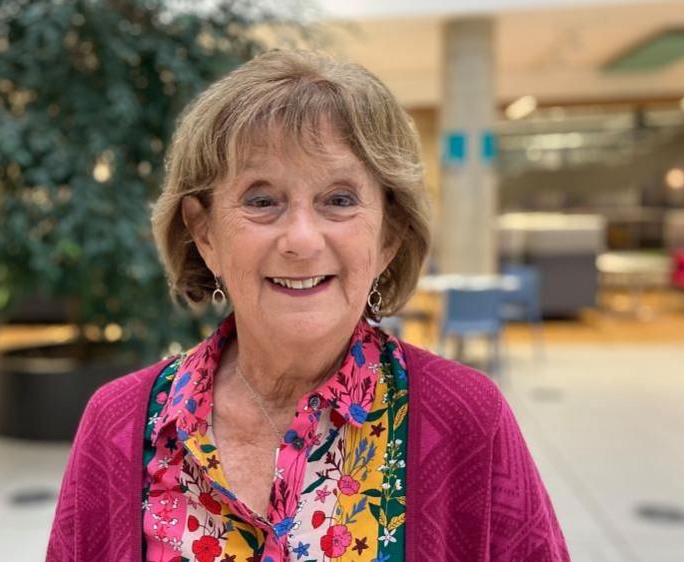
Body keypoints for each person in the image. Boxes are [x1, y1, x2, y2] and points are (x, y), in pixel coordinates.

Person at [47, 50, 569, 562]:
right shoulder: (118, 423)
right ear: (204, 232)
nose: (301, 239)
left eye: (339, 200)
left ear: (389, 233)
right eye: (261, 200)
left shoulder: (468, 420)